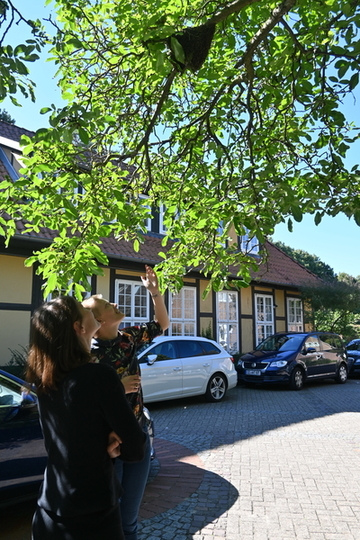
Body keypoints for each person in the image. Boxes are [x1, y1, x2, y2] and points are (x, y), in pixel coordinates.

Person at [26, 296, 147, 540]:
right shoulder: (99, 376)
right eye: (84, 309)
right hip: (92, 514)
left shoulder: (44, 380)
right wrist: (115, 444)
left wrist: (104, 441)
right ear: (79, 327)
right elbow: (136, 449)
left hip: (50, 507)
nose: (90, 308)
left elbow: (73, 434)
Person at [82, 264, 170, 540]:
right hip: (110, 446)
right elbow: (83, 404)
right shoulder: (87, 356)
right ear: (98, 321)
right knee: (108, 518)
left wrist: (155, 293)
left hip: (138, 434)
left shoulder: (128, 338)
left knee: (129, 520)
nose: (115, 302)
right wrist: (116, 389)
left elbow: (162, 325)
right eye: (108, 304)